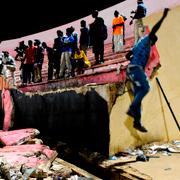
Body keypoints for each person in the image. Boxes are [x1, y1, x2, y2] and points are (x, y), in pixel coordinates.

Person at [125, 8, 169, 132]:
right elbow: (154, 29)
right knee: (146, 87)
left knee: (138, 95)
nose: (153, 44)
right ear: (152, 39)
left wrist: (136, 58)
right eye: (154, 41)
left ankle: (137, 122)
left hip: (131, 69)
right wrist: (163, 17)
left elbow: (127, 56)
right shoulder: (146, 41)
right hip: (136, 68)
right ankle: (132, 109)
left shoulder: (139, 44)